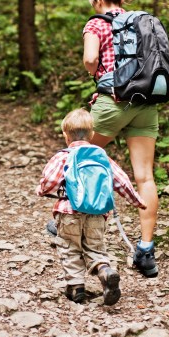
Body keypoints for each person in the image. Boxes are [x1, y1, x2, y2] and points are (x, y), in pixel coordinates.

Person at [82, 0, 169, 278]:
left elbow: (90, 58)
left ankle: (70, 221)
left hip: (112, 101)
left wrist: (95, 72)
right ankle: (146, 251)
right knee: (145, 177)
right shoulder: (143, 22)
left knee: (80, 156)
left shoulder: (96, 24)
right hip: (146, 104)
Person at [36, 109, 146, 305]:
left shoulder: (63, 156)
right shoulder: (101, 156)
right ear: (92, 134)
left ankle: (76, 287)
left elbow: (50, 180)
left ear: (65, 135)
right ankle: (104, 270)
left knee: (70, 247)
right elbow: (122, 180)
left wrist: (41, 190)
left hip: (68, 212)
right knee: (95, 248)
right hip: (97, 214)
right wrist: (137, 201)